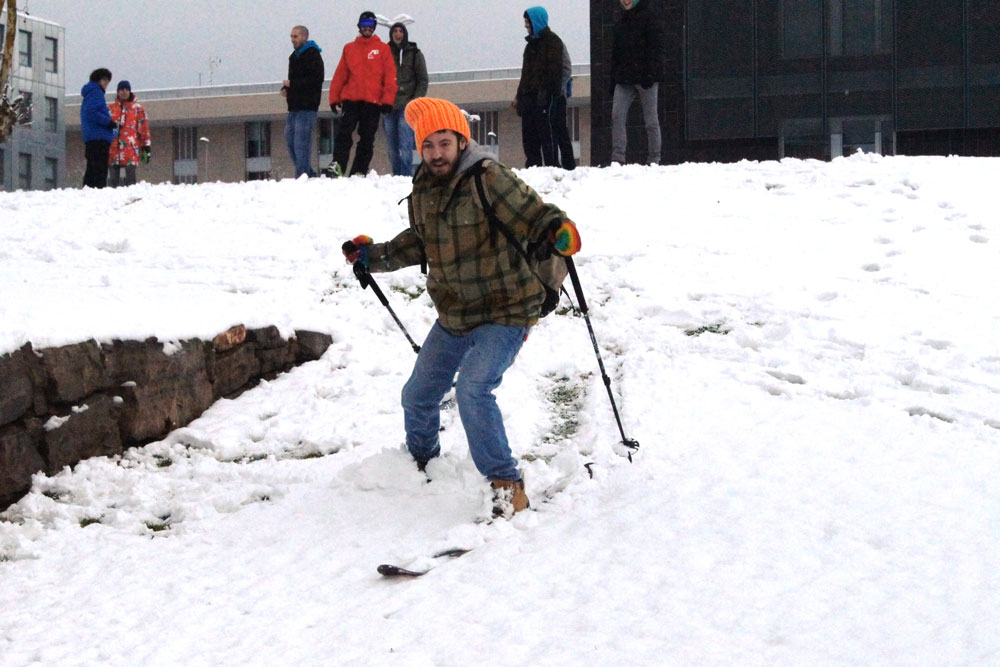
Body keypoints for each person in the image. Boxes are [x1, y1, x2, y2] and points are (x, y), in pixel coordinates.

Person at [340, 98, 581, 518]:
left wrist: (560, 231)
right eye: (428, 144)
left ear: (460, 140)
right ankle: (420, 465)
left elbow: (536, 215)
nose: (436, 152)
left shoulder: (488, 178)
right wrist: (371, 256)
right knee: (417, 396)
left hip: (506, 310)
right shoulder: (424, 187)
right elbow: (418, 241)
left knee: (473, 389)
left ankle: (507, 487)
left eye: (444, 142)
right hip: (456, 314)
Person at [324, 10, 397, 177]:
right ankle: (338, 166)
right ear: (359, 26)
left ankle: (359, 170)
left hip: (373, 101)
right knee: (344, 134)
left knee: (367, 138)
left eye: (371, 25)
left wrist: (387, 100)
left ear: (374, 27)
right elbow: (340, 74)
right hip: (351, 99)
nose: (367, 28)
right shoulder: (349, 48)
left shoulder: (382, 49)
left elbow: (390, 77)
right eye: (364, 24)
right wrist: (334, 97)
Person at [610, 0, 666, 165]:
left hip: (645, 78)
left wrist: (651, 73)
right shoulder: (620, 22)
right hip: (624, 78)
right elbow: (615, 54)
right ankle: (618, 157)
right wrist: (613, 80)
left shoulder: (650, 18)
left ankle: (654, 158)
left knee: (651, 120)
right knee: (617, 116)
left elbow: (656, 49)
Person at [513, 6, 565, 168]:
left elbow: (555, 71)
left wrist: (547, 93)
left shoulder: (553, 42)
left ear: (536, 21)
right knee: (529, 138)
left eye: (528, 22)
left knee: (547, 136)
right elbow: (525, 75)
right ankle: (533, 168)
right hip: (529, 98)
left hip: (545, 98)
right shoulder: (530, 46)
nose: (526, 26)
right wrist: (518, 96)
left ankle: (552, 168)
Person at [383, 21, 428, 176]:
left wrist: (415, 101)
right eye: (395, 31)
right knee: (391, 146)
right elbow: (377, 78)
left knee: (405, 144)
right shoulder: (384, 53)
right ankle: (396, 176)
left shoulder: (415, 53)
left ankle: (406, 177)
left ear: (405, 33)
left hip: (407, 106)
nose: (397, 34)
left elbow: (423, 80)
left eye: (400, 31)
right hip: (388, 106)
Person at [280, 25, 324, 178]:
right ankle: (307, 173)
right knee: (290, 139)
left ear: (304, 37)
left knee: (301, 143)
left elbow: (316, 79)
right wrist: (286, 89)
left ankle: (303, 174)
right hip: (294, 106)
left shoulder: (313, 55)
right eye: (291, 36)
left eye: (295, 36)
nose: (292, 39)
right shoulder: (294, 56)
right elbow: (294, 80)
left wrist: (293, 84)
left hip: (307, 106)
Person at [107, 81, 151, 187]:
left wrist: (146, 147)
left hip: (130, 149)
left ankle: (132, 198)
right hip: (113, 150)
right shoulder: (110, 109)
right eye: (122, 90)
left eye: (126, 90)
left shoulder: (137, 109)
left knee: (131, 179)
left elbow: (144, 129)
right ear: (118, 92)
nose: (124, 92)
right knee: (112, 181)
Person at [80, 68, 116, 189]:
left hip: (92, 136)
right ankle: (98, 190)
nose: (106, 83)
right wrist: (108, 122)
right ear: (98, 80)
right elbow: (93, 112)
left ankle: (89, 189)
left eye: (108, 81)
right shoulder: (96, 93)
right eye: (104, 80)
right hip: (98, 137)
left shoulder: (90, 93)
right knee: (99, 168)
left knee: (92, 167)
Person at [550, 42, 576, 170]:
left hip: (558, 96)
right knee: (553, 131)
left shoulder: (556, 44)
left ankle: (568, 164)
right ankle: (555, 163)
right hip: (549, 95)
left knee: (560, 129)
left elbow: (567, 69)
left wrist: (558, 88)